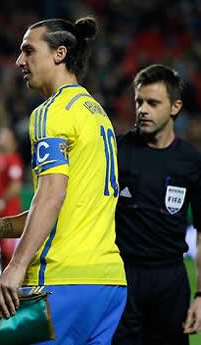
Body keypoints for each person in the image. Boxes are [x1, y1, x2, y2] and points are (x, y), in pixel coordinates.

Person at [0, 17, 127, 345]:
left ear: (59, 54)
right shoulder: (96, 113)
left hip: (62, 279)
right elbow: (63, 205)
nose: (20, 61)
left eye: (28, 51)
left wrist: (16, 267)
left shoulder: (52, 112)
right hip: (108, 282)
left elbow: (52, 194)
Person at [112, 64, 201, 345]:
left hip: (170, 280)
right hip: (122, 275)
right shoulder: (117, 151)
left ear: (175, 107)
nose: (142, 109)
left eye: (152, 102)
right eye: (139, 101)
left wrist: (200, 295)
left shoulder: (190, 162)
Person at [0, 127, 24, 268]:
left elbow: (16, 186)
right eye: (0, 136)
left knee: (8, 253)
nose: (1, 140)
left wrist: (2, 201)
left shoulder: (13, 160)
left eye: (5, 137)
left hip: (10, 214)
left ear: (12, 142)